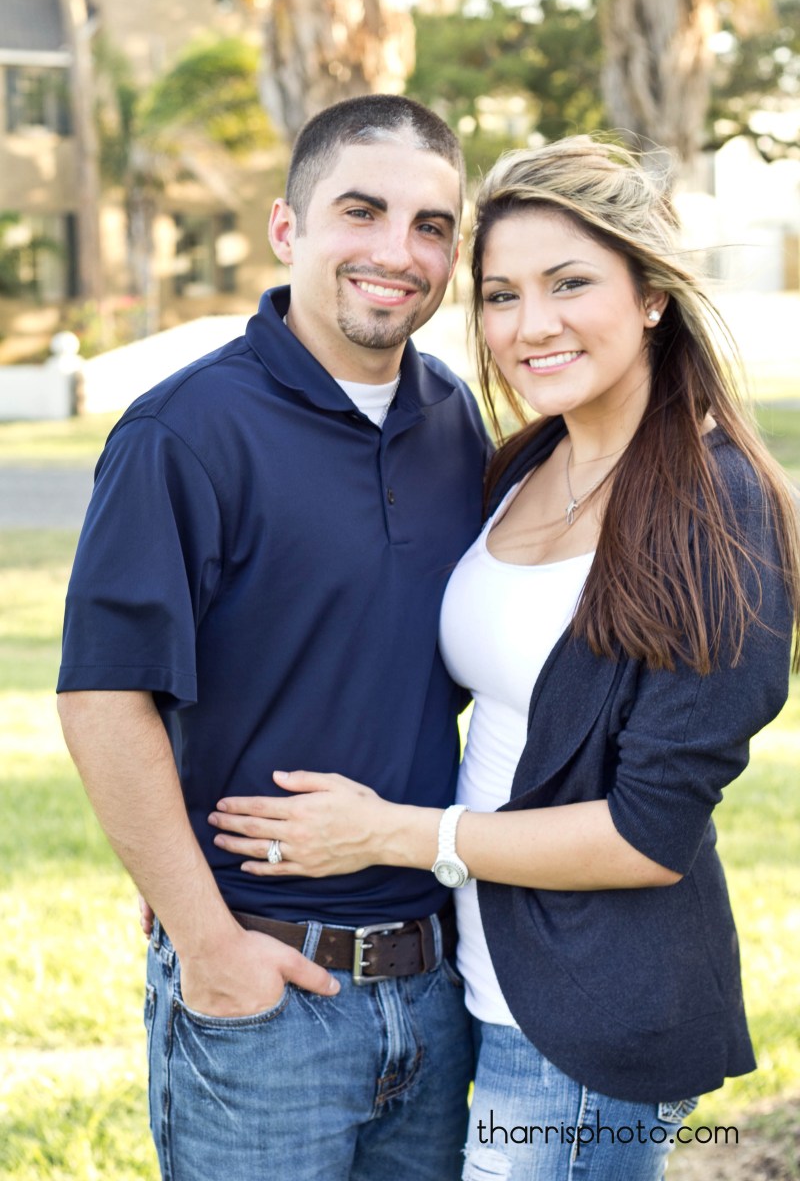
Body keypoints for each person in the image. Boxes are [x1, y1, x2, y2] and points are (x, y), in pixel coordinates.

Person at [207, 136, 800, 1180]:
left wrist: (390, 835)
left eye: (569, 284)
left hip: (589, 1012)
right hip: (470, 981)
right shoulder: (529, 458)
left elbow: (645, 835)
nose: (530, 326)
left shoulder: (721, 511)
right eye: (499, 295)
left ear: (651, 293)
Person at [57, 94, 490, 1181]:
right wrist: (206, 947)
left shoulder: (453, 421)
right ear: (287, 229)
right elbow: (104, 699)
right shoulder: (184, 432)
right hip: (264, 995)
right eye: (362, 211)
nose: (399, 253)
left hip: (437, 990)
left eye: (431, 226)